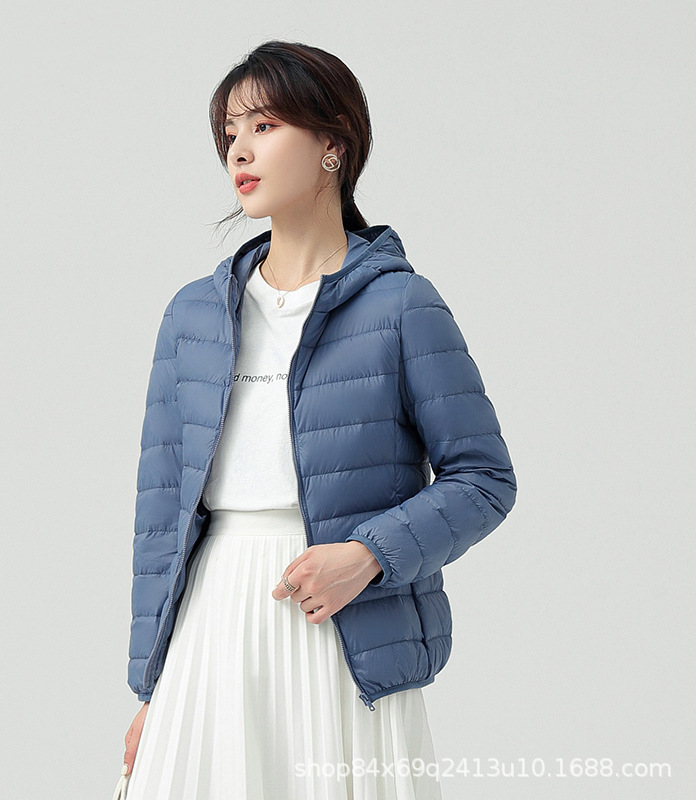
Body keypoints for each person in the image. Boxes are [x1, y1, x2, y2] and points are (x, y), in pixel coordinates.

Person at [120, 40, 517, 799]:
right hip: (212, 619)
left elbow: (484, 479)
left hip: (343, 628)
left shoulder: (402, 304)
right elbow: (159, 519)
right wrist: (151, 688)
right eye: (229, 132)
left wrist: (367, 555)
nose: (239, 150)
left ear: (333, 142)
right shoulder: (192, 316)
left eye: (264, 126)